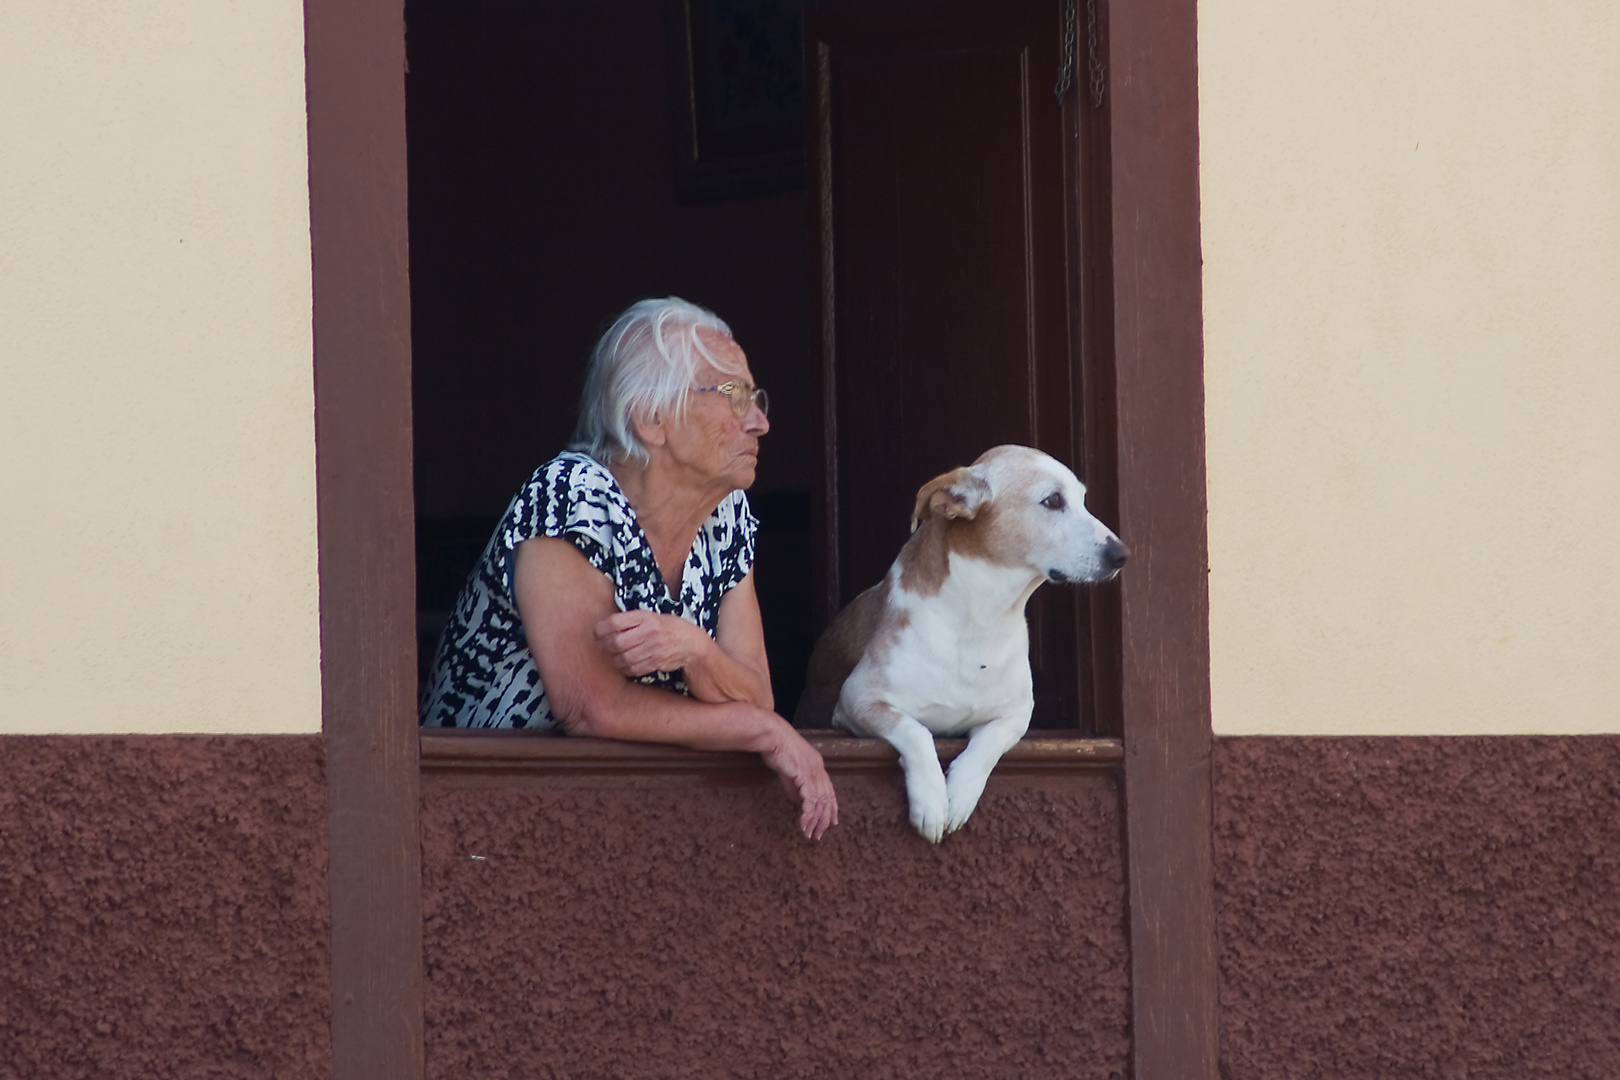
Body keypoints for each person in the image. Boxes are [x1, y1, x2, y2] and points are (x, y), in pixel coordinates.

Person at [420, 297, 837, 839]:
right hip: (475, 814)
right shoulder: (568, 498)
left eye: (754, 398)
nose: (759, 421)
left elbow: (756, 692)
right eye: (734, 396)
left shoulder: (727, 515)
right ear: (650, 418)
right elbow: (591, 707)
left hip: (622, 817)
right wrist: (768, 732)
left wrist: (695, 649)